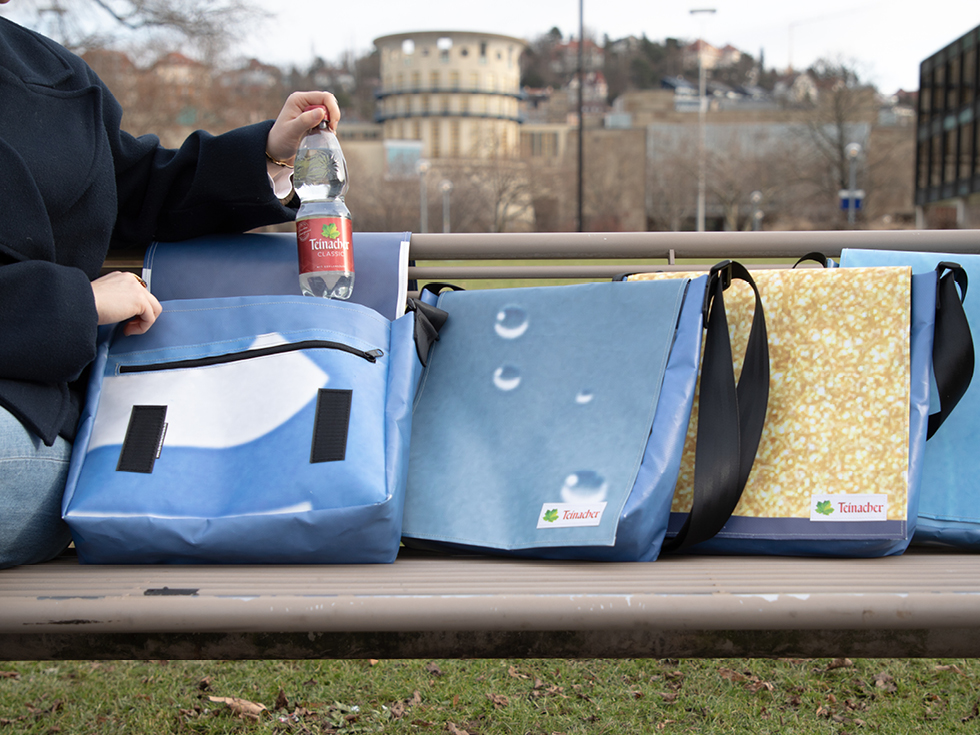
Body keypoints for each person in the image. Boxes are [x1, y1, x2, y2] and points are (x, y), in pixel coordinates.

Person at [0, 5, 342, 568]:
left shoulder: (51, 72)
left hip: (24, 411)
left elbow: (135, 187)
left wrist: (269, 151)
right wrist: (72, 304)